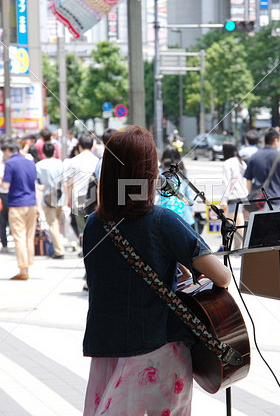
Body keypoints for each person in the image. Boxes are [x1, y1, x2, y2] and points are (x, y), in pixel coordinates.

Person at [82, 125, 231, 415]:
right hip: (156, 351)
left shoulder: (92, 224)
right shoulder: (163, 220)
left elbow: (113, 276)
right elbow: (222, 277)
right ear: (149, 173)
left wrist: (171, 270)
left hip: (107, 350)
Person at [0, 138, 37, 280]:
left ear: (8, 150)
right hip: (31, 203)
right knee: (28, 236)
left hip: (17, 204)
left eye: (4, 152)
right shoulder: (30, 162)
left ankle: (23, 269)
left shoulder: (10, 163)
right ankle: (27, 265)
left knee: (19, 236)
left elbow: (5, 186)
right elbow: (34, 184)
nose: (3, 155)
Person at [244, 128, 280, 210]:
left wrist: (251, 196)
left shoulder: (254, 157)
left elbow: (248, 180)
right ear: (275, 140)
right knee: (276, 222)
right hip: (277, 199)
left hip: (258, 202)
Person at [36, 142, 65, 259]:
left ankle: (59, 251)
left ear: (42, 152)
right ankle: (56, 248)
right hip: (59, 196)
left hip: (47, 197)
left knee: (52, 224)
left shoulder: (39, 165)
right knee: (56, 224)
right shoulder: (60, 163)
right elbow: (64, 180)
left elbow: (37, 182)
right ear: (54, 152)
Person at [159, 146, 195, 228]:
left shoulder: (159, 173)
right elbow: (188, 193)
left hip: (163, 214)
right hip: (183, 215)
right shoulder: (183, 174)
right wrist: (192, 210)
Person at [220, 142, 248, 249]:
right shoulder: (241, 162)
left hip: (233, 196)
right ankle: (236, 247)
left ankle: (232, 247)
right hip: (243, 195)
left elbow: (226, 182)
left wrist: (224, 199)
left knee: (231, 223)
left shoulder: (227, 163)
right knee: (238, 222)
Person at [0, 146, 9, 253]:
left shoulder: (11, 163)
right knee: (2, 221)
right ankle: (4, 243)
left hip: (11, 194)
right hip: (2, 194)